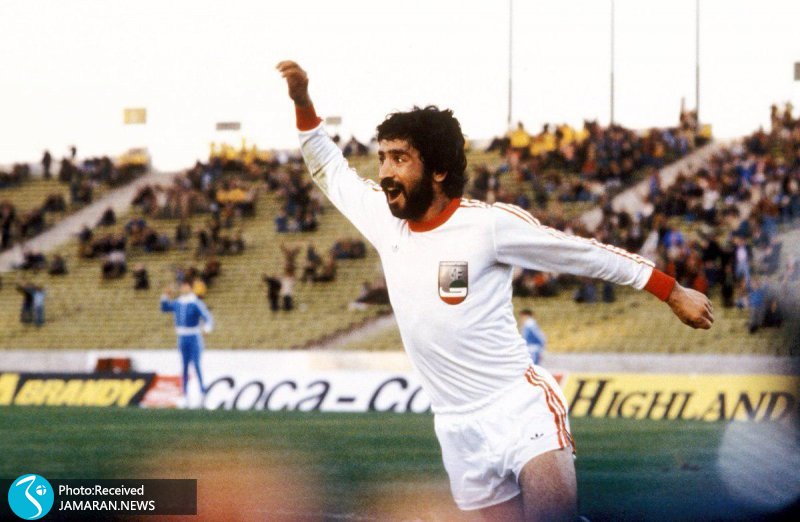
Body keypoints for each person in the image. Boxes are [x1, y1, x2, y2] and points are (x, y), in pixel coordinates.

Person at [278, 60, 714, 521]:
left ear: (438, 170)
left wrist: (671, 291)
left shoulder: (487, 226)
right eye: (382, 157)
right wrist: (303, 101)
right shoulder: (384, 220)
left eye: (399, 158)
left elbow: (582, 254)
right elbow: (328, 168)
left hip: (518, 407)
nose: (385, 170)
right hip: (457, 429)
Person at [160, 280, 214, 405]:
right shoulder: (178, 302)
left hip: (194, 336)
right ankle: (184, 394)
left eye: (186, 287)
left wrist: (207, 328)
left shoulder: (195, 303)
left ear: (190, 288)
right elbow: (164, 308)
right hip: (182, 337)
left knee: (196, 365)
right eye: (182, 287)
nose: (183, 289)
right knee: (184, 366)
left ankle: (202, 391)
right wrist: (165, 296)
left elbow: (207, 317)